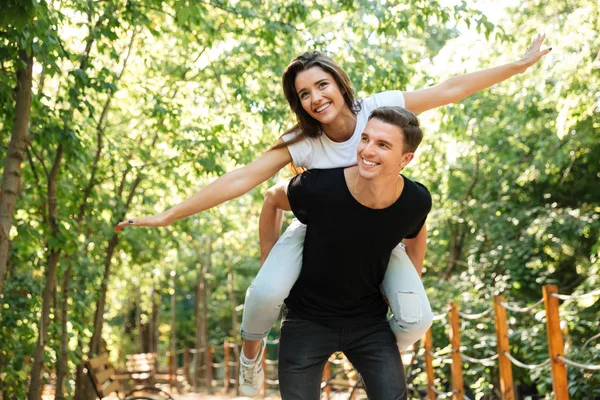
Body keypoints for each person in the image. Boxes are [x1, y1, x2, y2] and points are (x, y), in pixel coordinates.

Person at [117, 35, 551, 396]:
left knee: (418, 316)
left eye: (321, 85)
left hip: (377, 232)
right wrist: (169, 216)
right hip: (315, 231)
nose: (314, 98)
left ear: (341, 85)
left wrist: (517, 65)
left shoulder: (378, 110)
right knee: (267, 292)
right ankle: (253, 355)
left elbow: (449, 89)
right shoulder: (302, 143)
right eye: (303, 94)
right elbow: (243, 179)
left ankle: (373, 354)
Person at [265, 106, 430, 400]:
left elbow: (416, 236)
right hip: (307, 319)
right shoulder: (320, 187)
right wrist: (268, 265)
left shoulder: (415, 200)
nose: (367, 150)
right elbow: (272, 200)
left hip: (369, 323)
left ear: (406, 159)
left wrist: (407, 289)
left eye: (382, 144)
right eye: (365, 139)